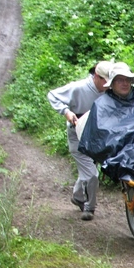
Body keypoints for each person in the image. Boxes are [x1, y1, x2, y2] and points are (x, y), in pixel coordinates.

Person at [77, 62, 134, 222]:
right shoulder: (102, 104)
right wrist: (125, 137)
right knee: (131, 161)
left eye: (127, 79)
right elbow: (102, 133)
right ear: (112, 84)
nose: (124, 83)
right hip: (123, 150)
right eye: (120, 80)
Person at [47, 61, 113, 221]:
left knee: (88, 168)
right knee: (92, 174)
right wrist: (66, 112)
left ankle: (77, 196)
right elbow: (53, 95)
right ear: (96, 76)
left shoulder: (109, 90)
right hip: (77, 134)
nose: (108, 85)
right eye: (105, 81)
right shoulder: (79, 87)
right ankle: (89, 207)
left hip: (97, 136)